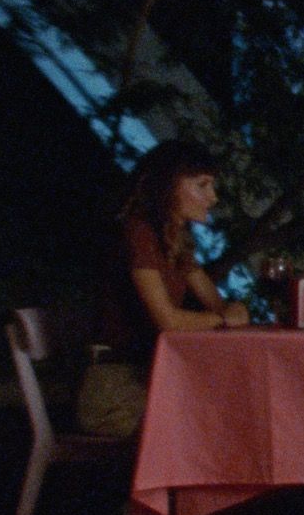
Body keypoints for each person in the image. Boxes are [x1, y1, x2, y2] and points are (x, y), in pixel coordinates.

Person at [84, 139, 250, 438]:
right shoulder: (138, 233)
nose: (213, 197)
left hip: (148, 378)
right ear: (168, 185)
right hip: (115, 391)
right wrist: (224, 318)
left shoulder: (174, 240)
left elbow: (216, 304)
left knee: (236, 410)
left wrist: (231, 310)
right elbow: (168, 320)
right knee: (217, 424)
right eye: (202, 185)